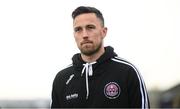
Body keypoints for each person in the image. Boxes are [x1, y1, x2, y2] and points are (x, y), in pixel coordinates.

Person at [51, 6, 150, 108]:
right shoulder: (61, 79)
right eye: (78, 29)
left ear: (104, 32)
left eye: (90, 27)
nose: (84, 34)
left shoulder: (127, 72)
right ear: (74, 35)